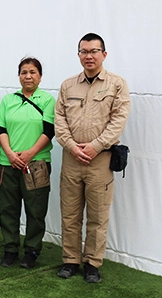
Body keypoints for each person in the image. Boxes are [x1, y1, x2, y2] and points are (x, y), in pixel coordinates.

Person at [55, 32, 130, 283]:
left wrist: (96, 146)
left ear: (104, 54)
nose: (89, 56)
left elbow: (118, 120)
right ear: (78, 55)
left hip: (100, 161)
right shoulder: (68, 86)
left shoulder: (117, 84)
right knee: (70, 213)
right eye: (84, 51)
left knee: (98, 216)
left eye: (94, 51)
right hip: (71, 159)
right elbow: (60, 120)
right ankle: (70, 260)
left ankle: (92, 263)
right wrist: (72, 146)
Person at [0, 57, 56, 268]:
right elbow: (1, 129)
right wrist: (11, 154)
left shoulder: (48, 100)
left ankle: (32, 250)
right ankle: (10, 248)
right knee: (8, 208)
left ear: (40, 76)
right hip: (8, 163)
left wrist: (29, 153)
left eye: (32, 72)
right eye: (24, 72)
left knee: (35, 210)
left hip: (36, 164)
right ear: (19, 75)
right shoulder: (8, 100)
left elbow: (49, 131)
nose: (28, 76)